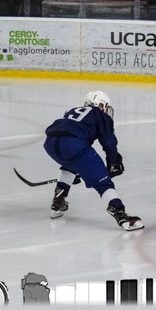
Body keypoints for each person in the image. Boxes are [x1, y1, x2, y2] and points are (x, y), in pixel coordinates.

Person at [43, 91, 143, 231]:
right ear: (100, 105)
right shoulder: (99, 114)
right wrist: (113, 162)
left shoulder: (72, 110)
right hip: (73, 144)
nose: (106, 110)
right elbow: (108, 142)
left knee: (70, 164)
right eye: (105, 106)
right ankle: (119, 213)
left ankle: (58, 200)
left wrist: (78, 167)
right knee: (103, 182)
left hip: (50, 143)